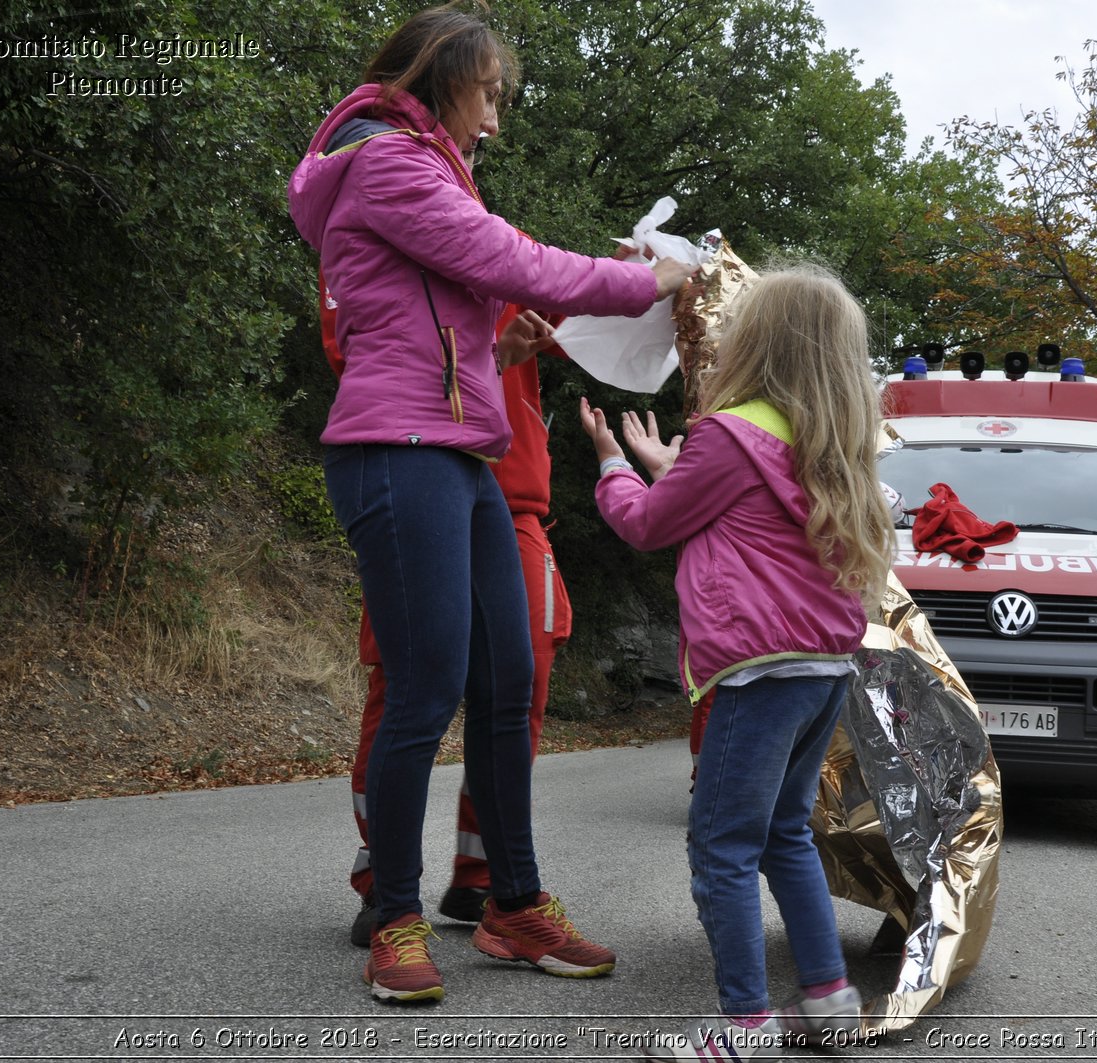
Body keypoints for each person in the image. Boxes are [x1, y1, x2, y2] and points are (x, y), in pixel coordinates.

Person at [289, 4, 695, 1005]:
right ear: (444, 82)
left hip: (462, 450)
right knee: (425, 686)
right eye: (489, 99)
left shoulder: (431, 168)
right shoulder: (388, 163)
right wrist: (652, 278)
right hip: (397, 449)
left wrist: (498, 349)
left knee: (507, 680)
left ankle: (512, 904)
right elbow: (519, 264)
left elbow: (463, 296)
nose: (495, 122)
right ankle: (393, 914)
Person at [579, 263, 895, 1059]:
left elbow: (652, 525)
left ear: (757, 340)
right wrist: (669, 465)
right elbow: (739, 510)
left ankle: (743, 1028)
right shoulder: (832, 442)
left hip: (759, 670)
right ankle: (829, 1004)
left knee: (721, 846)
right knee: (786, 832)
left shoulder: (729, 433)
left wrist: (615, 465)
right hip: (824, 667)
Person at [321, 276, 574, 942]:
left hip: (507, 491)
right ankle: (388, 888)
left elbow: (579, 326)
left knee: (520, 678)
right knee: (407, 680)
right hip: (412, 468)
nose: (463, 163)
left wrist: (644, 280)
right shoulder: (371, 224)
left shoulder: (498, 242)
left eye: (468, 159)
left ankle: (490, 878)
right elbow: (368, 360)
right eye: (456, 158)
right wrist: (492, 354)